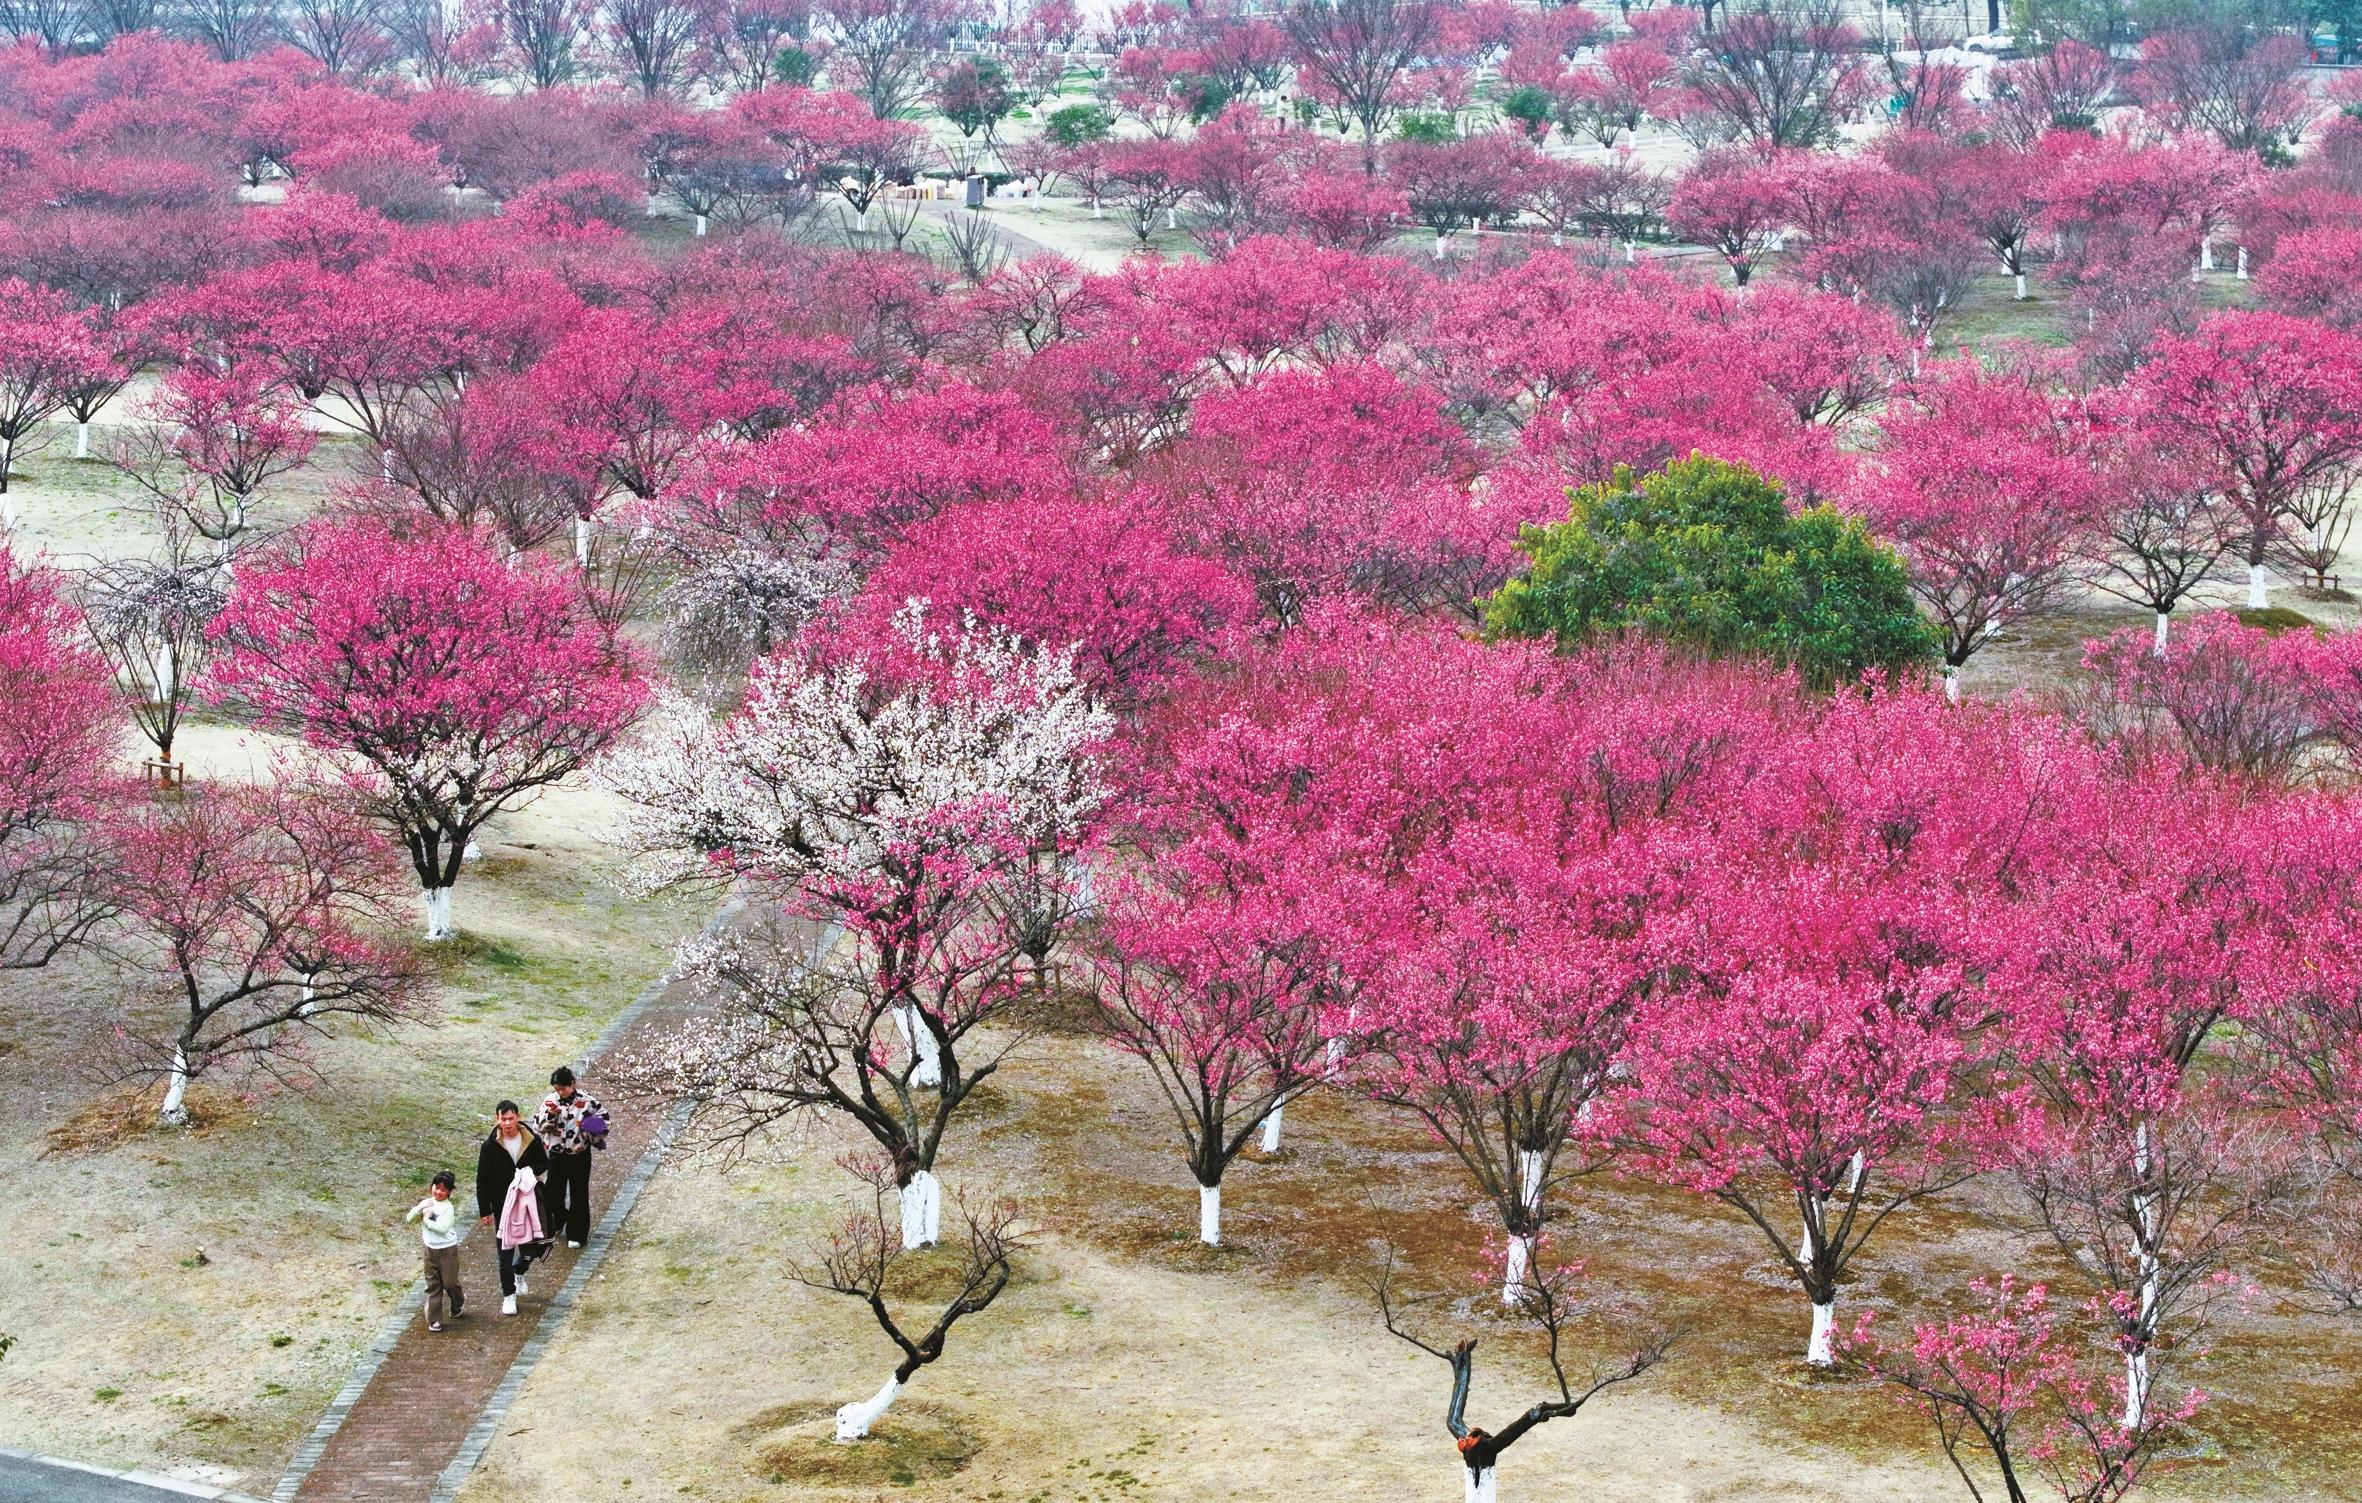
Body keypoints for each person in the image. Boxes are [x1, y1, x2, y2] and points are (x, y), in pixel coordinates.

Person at [475, 1099, 551, 1316]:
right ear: (497, 1119)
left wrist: (527, 1173)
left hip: (527, 1201)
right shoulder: (490, 1146)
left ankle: (520, 1271)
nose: (507, 1123)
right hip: (502, 1205)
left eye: (510, 1118)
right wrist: (485, 1210)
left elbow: (543, 1162)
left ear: (518, 1117)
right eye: (503, 1119)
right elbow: (483, 1179)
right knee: (505, 1251)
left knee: (532, 1246)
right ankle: (508, 1294)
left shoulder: (531, 1140)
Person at [532, 1066, 608, 1249]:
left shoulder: (588, 1102)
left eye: (563, 1088)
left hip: (579, 1155)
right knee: (552, 1193)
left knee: (579, 1194)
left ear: (572, 1084)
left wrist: (588, 1126)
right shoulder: (550, 1101)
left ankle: (577, 1233)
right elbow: (538, 1127)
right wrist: (551, 1115)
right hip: (556, 1155)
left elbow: (604, 1124)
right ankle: (559, 1219)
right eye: (557, 1089)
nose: (560, 1092)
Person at [403, 1171, 465, 1332]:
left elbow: (443, 1228)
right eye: (436, 1188)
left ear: (449, 1192)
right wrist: (420, 1209)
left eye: (443, 1190)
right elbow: (409, 1219)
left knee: (449, 1283)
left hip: (447, 1250)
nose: (438, 1192)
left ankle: (458, 1301)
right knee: (433, 1285)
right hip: (430, 1250)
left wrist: (426, 1220)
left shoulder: (448, 1208)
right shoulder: (427, 1203)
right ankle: (434, 1319)